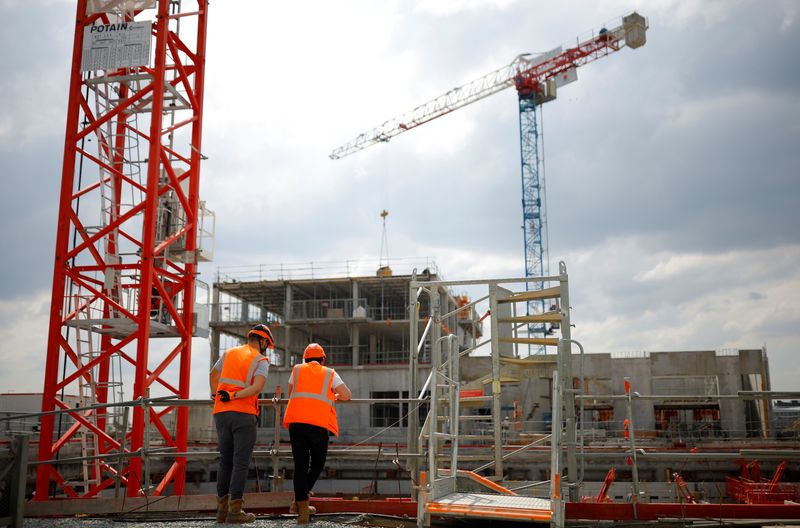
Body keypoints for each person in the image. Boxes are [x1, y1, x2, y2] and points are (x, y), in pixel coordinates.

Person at [210, 323, 274, 524]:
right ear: (263, 341)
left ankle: (221, 510)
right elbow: (256, 388)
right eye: (267, 344)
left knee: (225, 460)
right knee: (240, 462)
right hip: (243, 414)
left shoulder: (229, 353)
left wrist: (217, 395)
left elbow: (214, 374)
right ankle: (235, 511)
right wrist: (234, 395)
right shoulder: (261, 360)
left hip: (221, 412)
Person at [283, 343, 351, 524]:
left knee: (300, 466)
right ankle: (300, 504)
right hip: (317, 424)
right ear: (322, 359)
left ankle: (301, 508)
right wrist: (333, 396)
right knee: (318, 463)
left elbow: (292, 393)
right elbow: (346, 394)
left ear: (305, 359)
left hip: (296, 423)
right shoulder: (329, 373)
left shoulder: (297, 370)